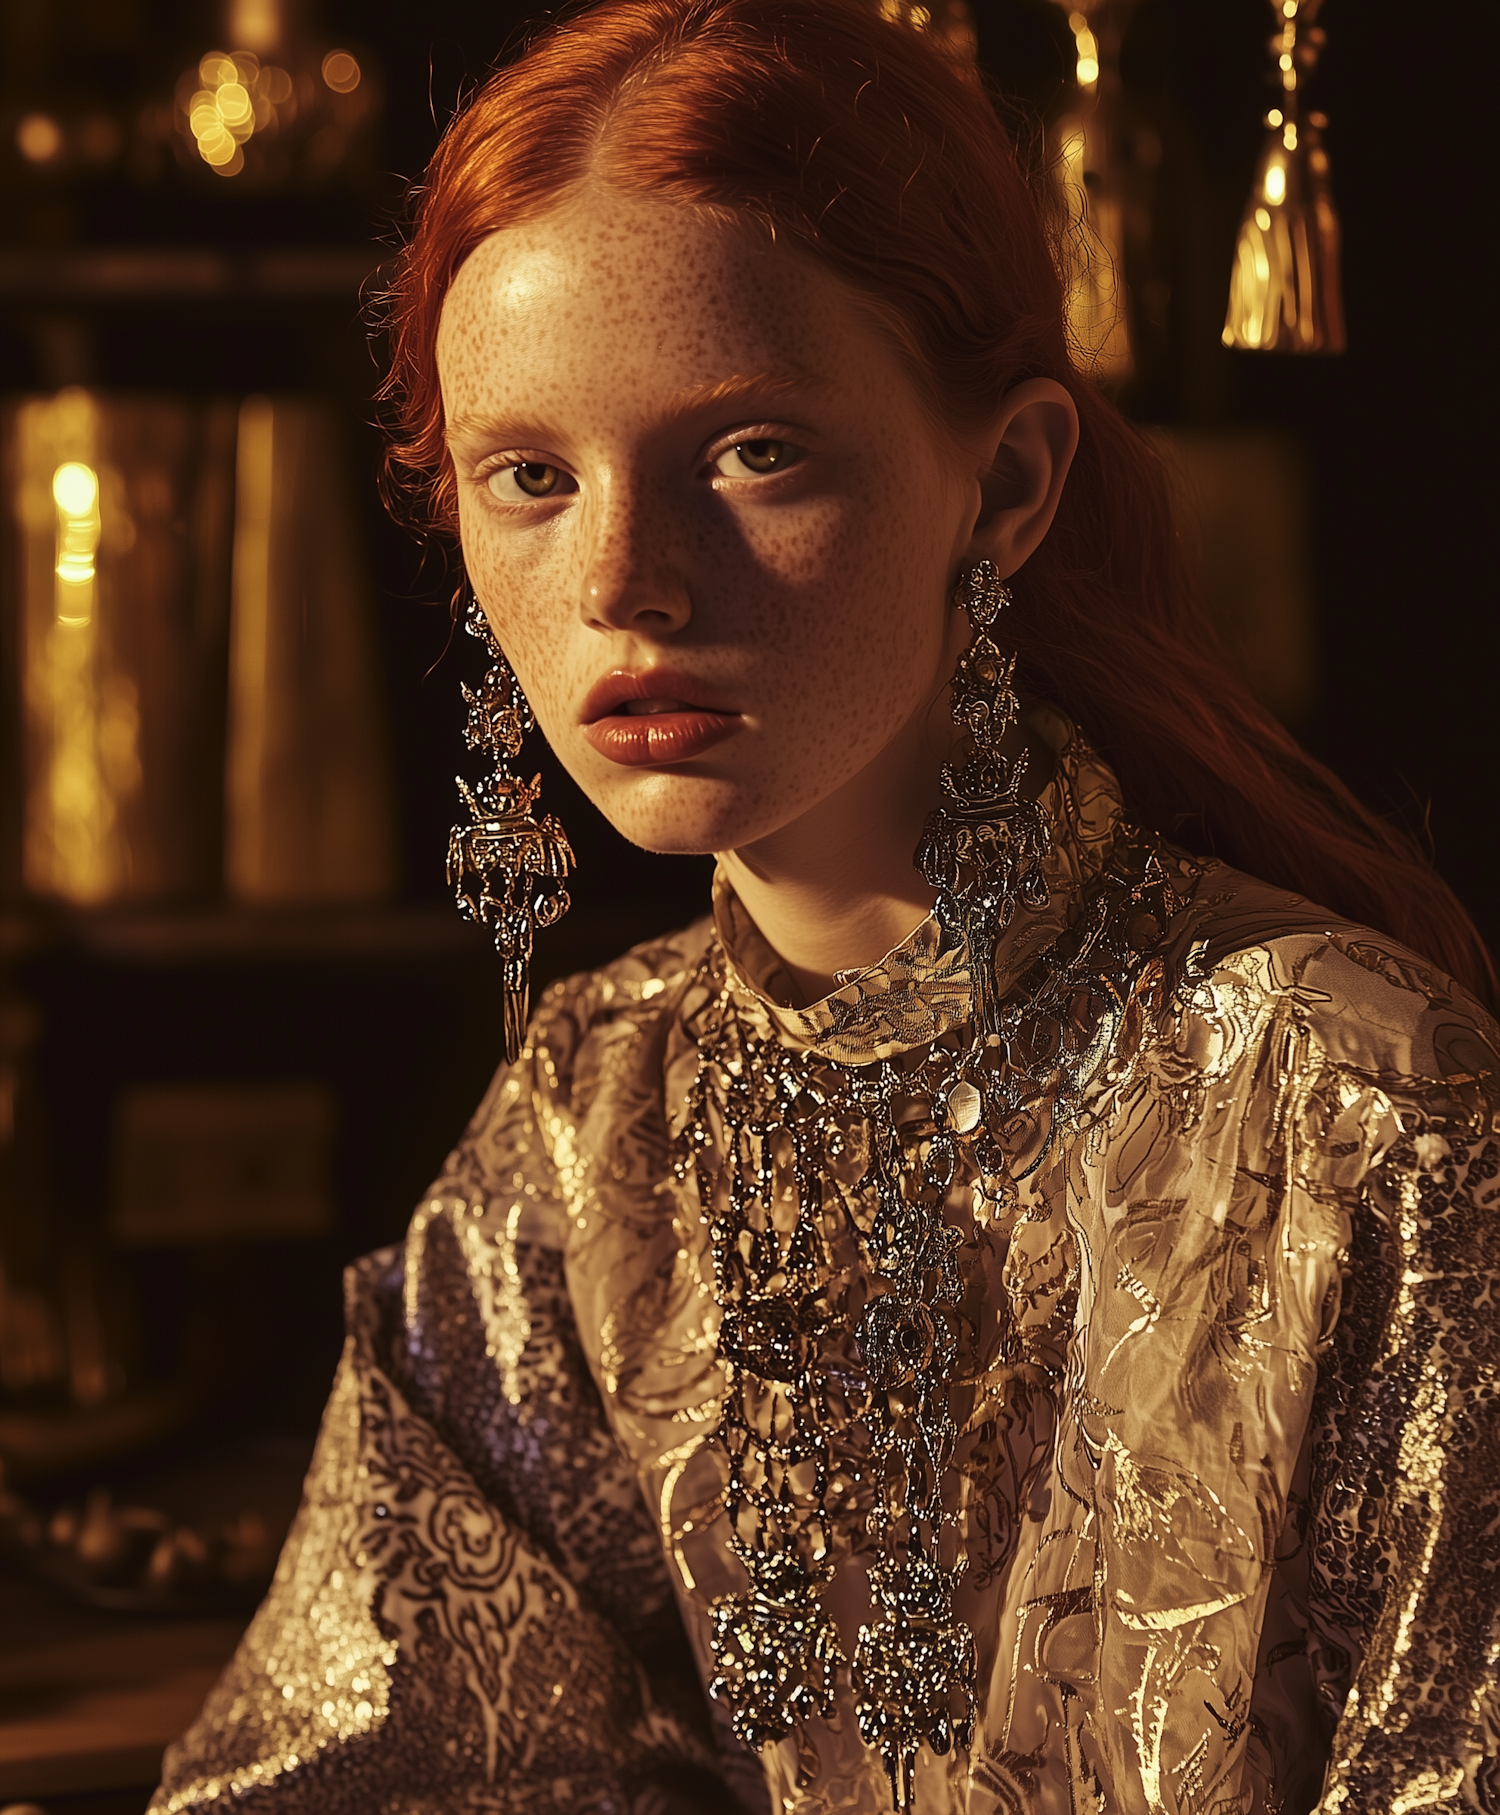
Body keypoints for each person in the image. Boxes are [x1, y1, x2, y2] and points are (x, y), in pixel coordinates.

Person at [150, 2, 1500, 1810]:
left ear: (1005, 484)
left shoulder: (1369, 1109)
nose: (624, 579)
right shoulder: (586, 1119)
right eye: (531, 478)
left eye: (753, 450)